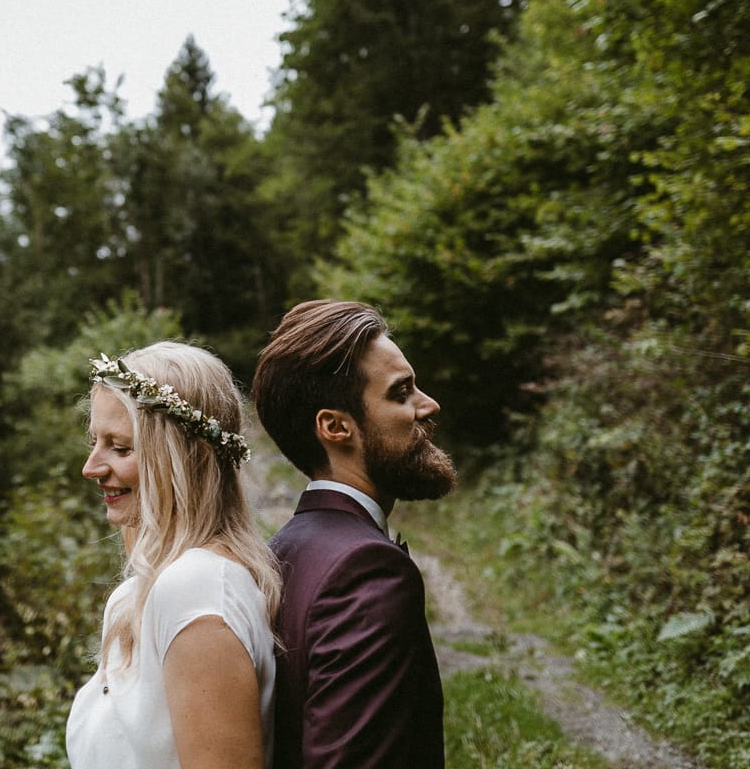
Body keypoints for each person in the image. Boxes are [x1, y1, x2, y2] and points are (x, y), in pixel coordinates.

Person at [251, 299, 458, 769]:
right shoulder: (366, 570)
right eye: (401, 393)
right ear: (335, 427)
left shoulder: (278, 550)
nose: (428, 405)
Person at [66, 341, 281, 769]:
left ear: (186, 459)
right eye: (95, 442)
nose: (91, 467)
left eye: (120, 448)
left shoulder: (196, 591)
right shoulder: (139, 595)